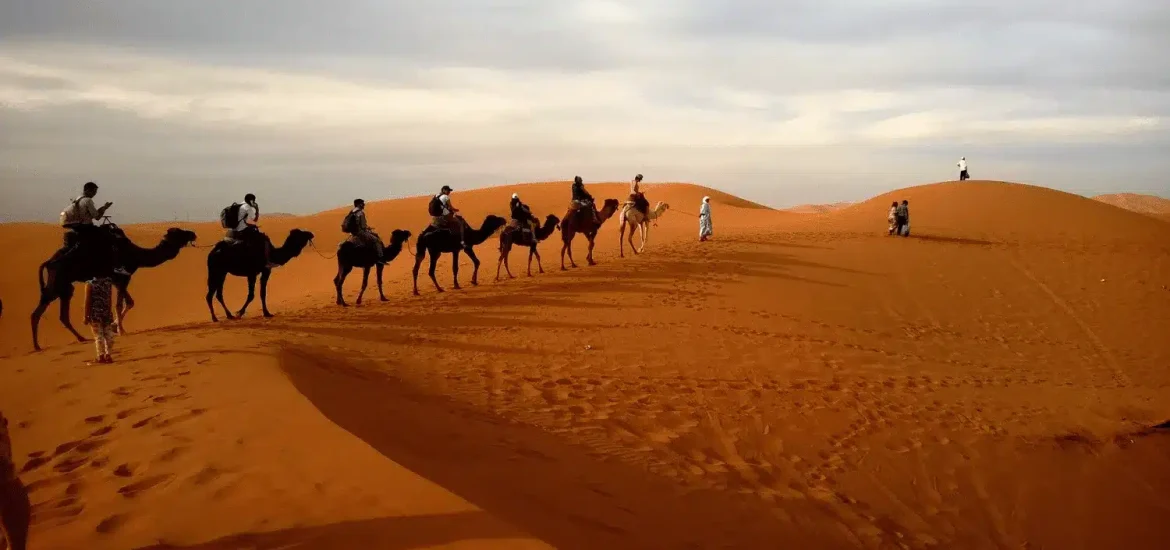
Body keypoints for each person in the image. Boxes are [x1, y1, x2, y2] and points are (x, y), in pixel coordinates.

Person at [59, 181, 128, 276]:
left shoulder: (78, 199)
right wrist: (104, 209)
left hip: (78, 226)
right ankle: (117, 266)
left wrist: (103, 207)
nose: (95, 194)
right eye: (94, 192)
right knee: (111, 239)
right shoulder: (88, 200)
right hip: (87, 227)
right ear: (88, 190)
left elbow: (91, 214)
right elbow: (97, 217)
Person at [233, 194, 279, 269]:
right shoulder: (248, 208)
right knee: (265, 239)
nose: (254, 202)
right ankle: (267, 262)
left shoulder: (240, 205)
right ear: (251, 200)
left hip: (236, 229)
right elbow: (255, 220)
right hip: (244, 230)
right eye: (253, 200)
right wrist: (257, 209)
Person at [84, 276, 116, 364]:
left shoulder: (90, 284)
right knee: (109, 336)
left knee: (98, 336)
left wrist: (85, 316)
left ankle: (100, 356)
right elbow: (109, 298)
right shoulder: (108, 282)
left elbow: (87, 301)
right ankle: (108, 355)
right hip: (106, 313)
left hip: (95, 314)